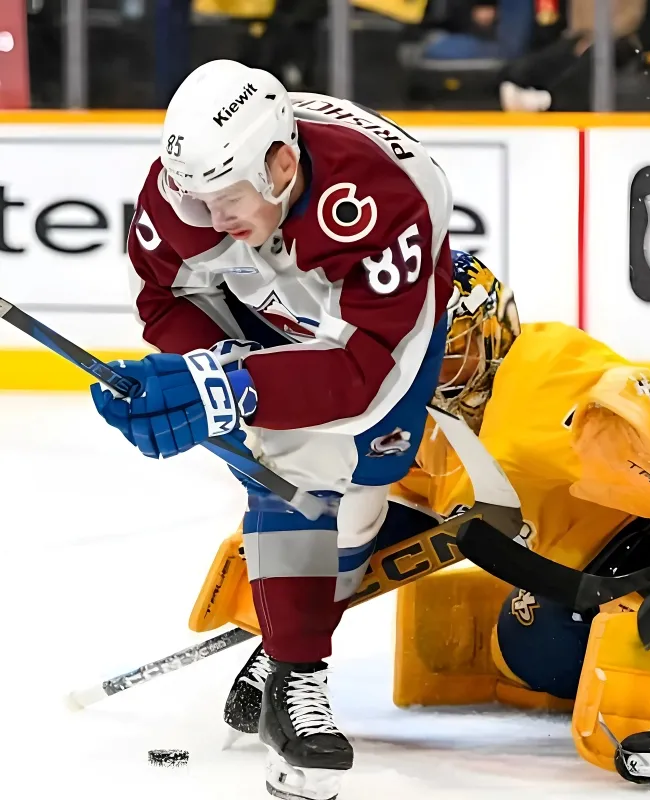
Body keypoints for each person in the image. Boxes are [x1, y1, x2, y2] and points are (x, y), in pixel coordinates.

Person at [201, 254, 650, 786]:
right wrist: (290, 643)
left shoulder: (547, 363)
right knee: (528, 652)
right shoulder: (413, 428)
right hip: (582, 579)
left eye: (444, 347)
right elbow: (370, 536)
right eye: (407, 354)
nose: (426, 370)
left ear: (490, 329)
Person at [91, 58, 453, 800]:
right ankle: (297, 677)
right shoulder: (185, 193)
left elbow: (366, 373)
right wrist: (211, 374)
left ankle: (292, 631)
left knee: (365, 489)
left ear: (282, 164)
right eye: (194, 202)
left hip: (378, 336)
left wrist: (230, 388)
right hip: (269, 311)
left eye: (224, 202)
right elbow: (164, 301)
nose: (207, 220)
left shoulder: (386, 199)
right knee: (294, 471)